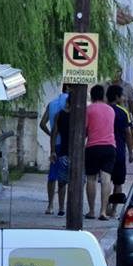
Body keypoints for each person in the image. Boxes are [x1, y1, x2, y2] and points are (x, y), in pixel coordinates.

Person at [84, 84, 116, 220]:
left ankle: (91, 210)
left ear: (91, 95)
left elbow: (84, 129)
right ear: (103, 96)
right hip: (109, 146)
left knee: (91, 179)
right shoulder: (110, 110)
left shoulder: (88, 110)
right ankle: (103, 211)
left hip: (93, 146)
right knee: (106, 179)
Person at [39, 85, 69, 215]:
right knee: (63, 178)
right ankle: (62, 207)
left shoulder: (51, 104)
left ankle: (50, 205)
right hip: (66, 145)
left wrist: (50, 134)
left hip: (54, 143)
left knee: (52, 176)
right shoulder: (71, 102)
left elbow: (42, 124)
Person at [105, 85, 133, 217]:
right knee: (118, 182)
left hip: (106, 148)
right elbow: (128, 133)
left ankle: (104, 206)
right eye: (122, 96)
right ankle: (113, 209)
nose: (123, 98)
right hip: (120, 151)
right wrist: (131, 151)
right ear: (117, 97)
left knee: (106, 180)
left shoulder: (104, 110)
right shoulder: (123, 112)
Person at [48, 89, 72, 217]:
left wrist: (52, 151)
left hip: (62, 151)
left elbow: (54, 134)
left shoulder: (60, 114)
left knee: (62, 182)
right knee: (75, 182)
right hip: (76, 154)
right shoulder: (80, 115)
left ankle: (62, 208)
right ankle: (70, 207)